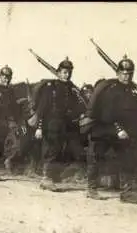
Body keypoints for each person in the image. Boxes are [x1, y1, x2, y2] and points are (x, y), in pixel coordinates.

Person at [85, 55, 137, 204]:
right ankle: (91, 189)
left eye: (129, 73)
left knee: (127, 159)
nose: (127, 76)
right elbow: (107, 114)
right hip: (104, 129)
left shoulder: (132, 91)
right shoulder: (111, 90)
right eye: (124, 73)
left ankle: (127, 192)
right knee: (96, 158)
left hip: (123, 132)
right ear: (118, 73)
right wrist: (118, 129)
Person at [34, 57, 84, 191]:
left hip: (65, 124)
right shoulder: (51, 87)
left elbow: (77, 105)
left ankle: (51, 177)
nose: (66, 75)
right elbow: (42, 108)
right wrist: (39, 127)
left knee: (59, 149)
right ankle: (46, 178)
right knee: (51, 149)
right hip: (51, 123)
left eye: (69, 72)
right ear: (58, 72)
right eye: (64, 72)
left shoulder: (72, 88)